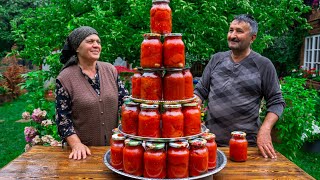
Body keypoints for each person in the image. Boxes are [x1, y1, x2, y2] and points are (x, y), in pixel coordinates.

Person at [194, 14, 285, 159]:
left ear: (252, 38)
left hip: (246, 145)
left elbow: (277, 102)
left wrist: (265, 129)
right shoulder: (216, 59)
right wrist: (191, 116)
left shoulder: (263, 65)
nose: (232, 35)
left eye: (239, 31)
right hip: (210, 141)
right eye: (231, 30)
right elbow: (200, 91)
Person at [55, 26, 128, 160]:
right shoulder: (65, 78)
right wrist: (76, 144)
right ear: (77, 47)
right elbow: (63, 119)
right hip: (84, 153)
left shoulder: (110, 70)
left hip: (113, 148)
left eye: (98, 42)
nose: (96, 45)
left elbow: (125, 102)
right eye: (90, 41)